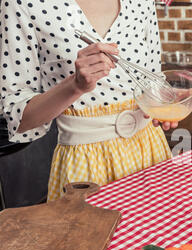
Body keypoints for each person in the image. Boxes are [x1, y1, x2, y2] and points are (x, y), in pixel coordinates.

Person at [0, 0, 178, 201]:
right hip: (86, 163)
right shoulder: (22, 4)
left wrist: (163, 104)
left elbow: (153, 81)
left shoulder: (142, 2)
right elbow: (19, 120)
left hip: (151, 151)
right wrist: (75, 86)